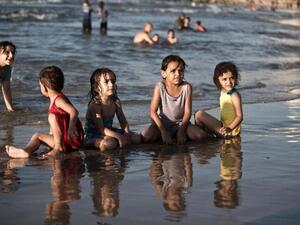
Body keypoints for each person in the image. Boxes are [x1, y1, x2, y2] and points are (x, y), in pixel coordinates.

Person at [6, 66, 84, 158]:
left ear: (45, 87)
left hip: (69, 140)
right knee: (40, 135)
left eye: (40, 85)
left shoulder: (59, 100)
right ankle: (26, 151)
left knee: (50, 120)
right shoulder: (56, 98)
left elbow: (74, 111)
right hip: (67, 140)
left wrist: (71, 126)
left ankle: (57, 148)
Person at [141, 55, 208, 145]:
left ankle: (179, 133)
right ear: (163, 73)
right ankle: (166, 135)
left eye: (180, 71)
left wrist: (182, 131)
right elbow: (153, 112)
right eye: (173, 71)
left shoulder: (187, 87)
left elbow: (187, 112)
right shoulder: (160, 87)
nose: (178, 74)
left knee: (201, 136)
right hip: (162, 124)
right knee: (146, 137)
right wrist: (163, 131)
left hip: (180, 124)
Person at [84, 68, 141, 151]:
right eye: (106, 82)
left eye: (113, 81)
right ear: (96, 87)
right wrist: (119, 136)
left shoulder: (115, 102)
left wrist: (127, 134)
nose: (111, 85)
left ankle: (116, 141)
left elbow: (123, 122)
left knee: (136, 138)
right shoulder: (96, 105)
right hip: (94, 134)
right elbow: (101, 129)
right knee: (109, 143)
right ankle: (89, 143)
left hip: (108, 131)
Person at [195, 61, 243, 138]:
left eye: (232, 78)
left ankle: (202, 137)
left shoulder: (234, 95)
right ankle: (203, 134)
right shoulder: (224, 91)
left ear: (236, 78)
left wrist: (229, 128)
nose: (229, 82)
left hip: (229, 132)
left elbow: (239, 116)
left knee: (199, 114)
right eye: (224, 79)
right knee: (200, 116)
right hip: (223, 127)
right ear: (218, 80)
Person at [0, 41, 16, 112]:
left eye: (13, 53)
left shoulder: (7, 68)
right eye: (7, 52)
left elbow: (6, 89)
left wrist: (10, 109)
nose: (11, 56)